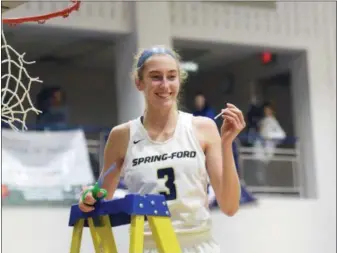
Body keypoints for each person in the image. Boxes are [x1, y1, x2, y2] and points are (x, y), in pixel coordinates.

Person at [78, 46, 246, 252]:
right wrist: (89, 197)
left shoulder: (203, 128)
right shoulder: (121, 136)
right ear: (139, 82)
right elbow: (101, 196)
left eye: (171, 76)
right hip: (147, 246)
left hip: (198, 245)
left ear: (179, 80)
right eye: (155, 77)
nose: (165, 85)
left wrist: (226, 143)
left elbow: (229, 206)